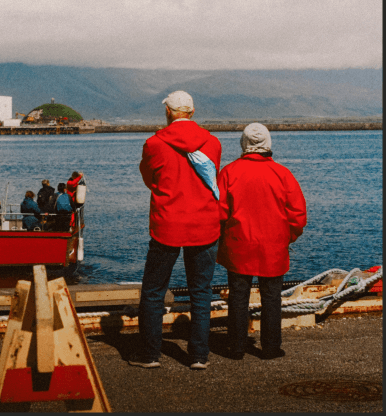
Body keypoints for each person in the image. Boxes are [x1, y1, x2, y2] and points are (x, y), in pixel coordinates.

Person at [131, 90, 222, 370]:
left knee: (154, 291)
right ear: (192, 113)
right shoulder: (213, 143)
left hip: (166, 224)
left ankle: (149, 355)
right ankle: (198, 356)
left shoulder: (154, 144)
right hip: (204, 224)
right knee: (202, 291)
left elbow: (149, 177)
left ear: (168, 112)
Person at [217, 123, 307, 360]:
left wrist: (224, 237)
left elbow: (219, 212)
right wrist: (287, 237)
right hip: (273, 245)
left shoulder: (229, 172)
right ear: (268, 144)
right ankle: (270, 347)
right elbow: (297, 214)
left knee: (238, 296)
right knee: (271, 297)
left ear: (244, 144)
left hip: (239, 244)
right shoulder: (283, 174)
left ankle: (235, 348)